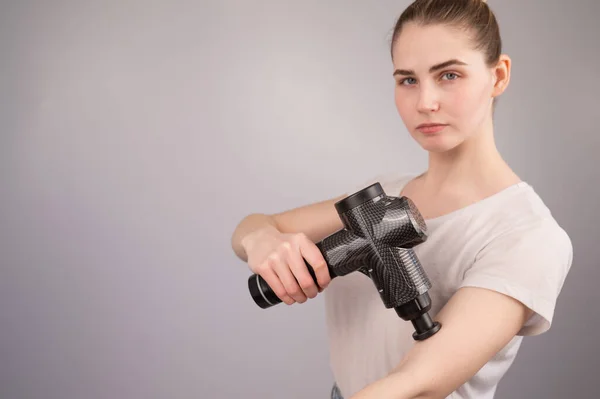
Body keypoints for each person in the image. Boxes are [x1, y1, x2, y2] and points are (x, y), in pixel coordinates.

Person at [230, 0, 574, 398]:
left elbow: (417, 384)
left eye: (449, 75)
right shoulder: (384, 197)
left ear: (498, 76)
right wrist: (264, 242)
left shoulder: (528, 236)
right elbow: (253, 226)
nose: (425, 102)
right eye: (407, 80)